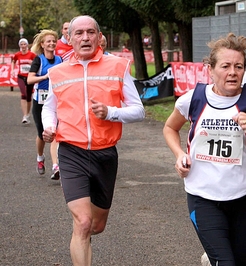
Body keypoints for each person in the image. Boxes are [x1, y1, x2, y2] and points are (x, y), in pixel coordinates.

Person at [163, 32, 246, 266]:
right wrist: (180, 155)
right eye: (226, 66)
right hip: (202, 195)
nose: (233, 72)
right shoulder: (194, 98)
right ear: (210, 69)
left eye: (238, 66)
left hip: (244, 196)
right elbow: (170, 128)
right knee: (225, 262)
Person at [41, 15, 145, 265]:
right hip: (71, 151)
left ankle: (83, 234)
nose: (85, 37)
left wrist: (111, 112)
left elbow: (138, 110)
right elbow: (49, 108)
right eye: (79, 33)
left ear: (100, 37)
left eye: (90, 32)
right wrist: (49, 126)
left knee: (96, 225)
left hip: (105, 153)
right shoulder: (57, 72)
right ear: (69, 38)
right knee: (83, 222)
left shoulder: (118, 66)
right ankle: (81, 234)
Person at [27, 30, 62, 179]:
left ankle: (56, 166)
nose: (52, 43)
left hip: (56, 101)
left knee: (55, 133)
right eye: (48, 41)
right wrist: (46, 76)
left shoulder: (60, 59)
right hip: (40, 102)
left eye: (54, 41)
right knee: (42, 134)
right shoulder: (39, 60)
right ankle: (40, 157)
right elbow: (29, 80)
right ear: (42, 44)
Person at [11, 38, 36, 124]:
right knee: (23, 94)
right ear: (20, 46)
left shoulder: (32, 54)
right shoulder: (17, 54)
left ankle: (28, 114)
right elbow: (13, 61)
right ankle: (25, 115)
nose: (23, 46)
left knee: (29, 96)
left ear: (27, 45)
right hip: (21, 76)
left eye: (24, 44)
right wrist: (12, 70)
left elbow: (37, 63)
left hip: (29, 77)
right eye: (21, 44)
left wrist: (32, 63)